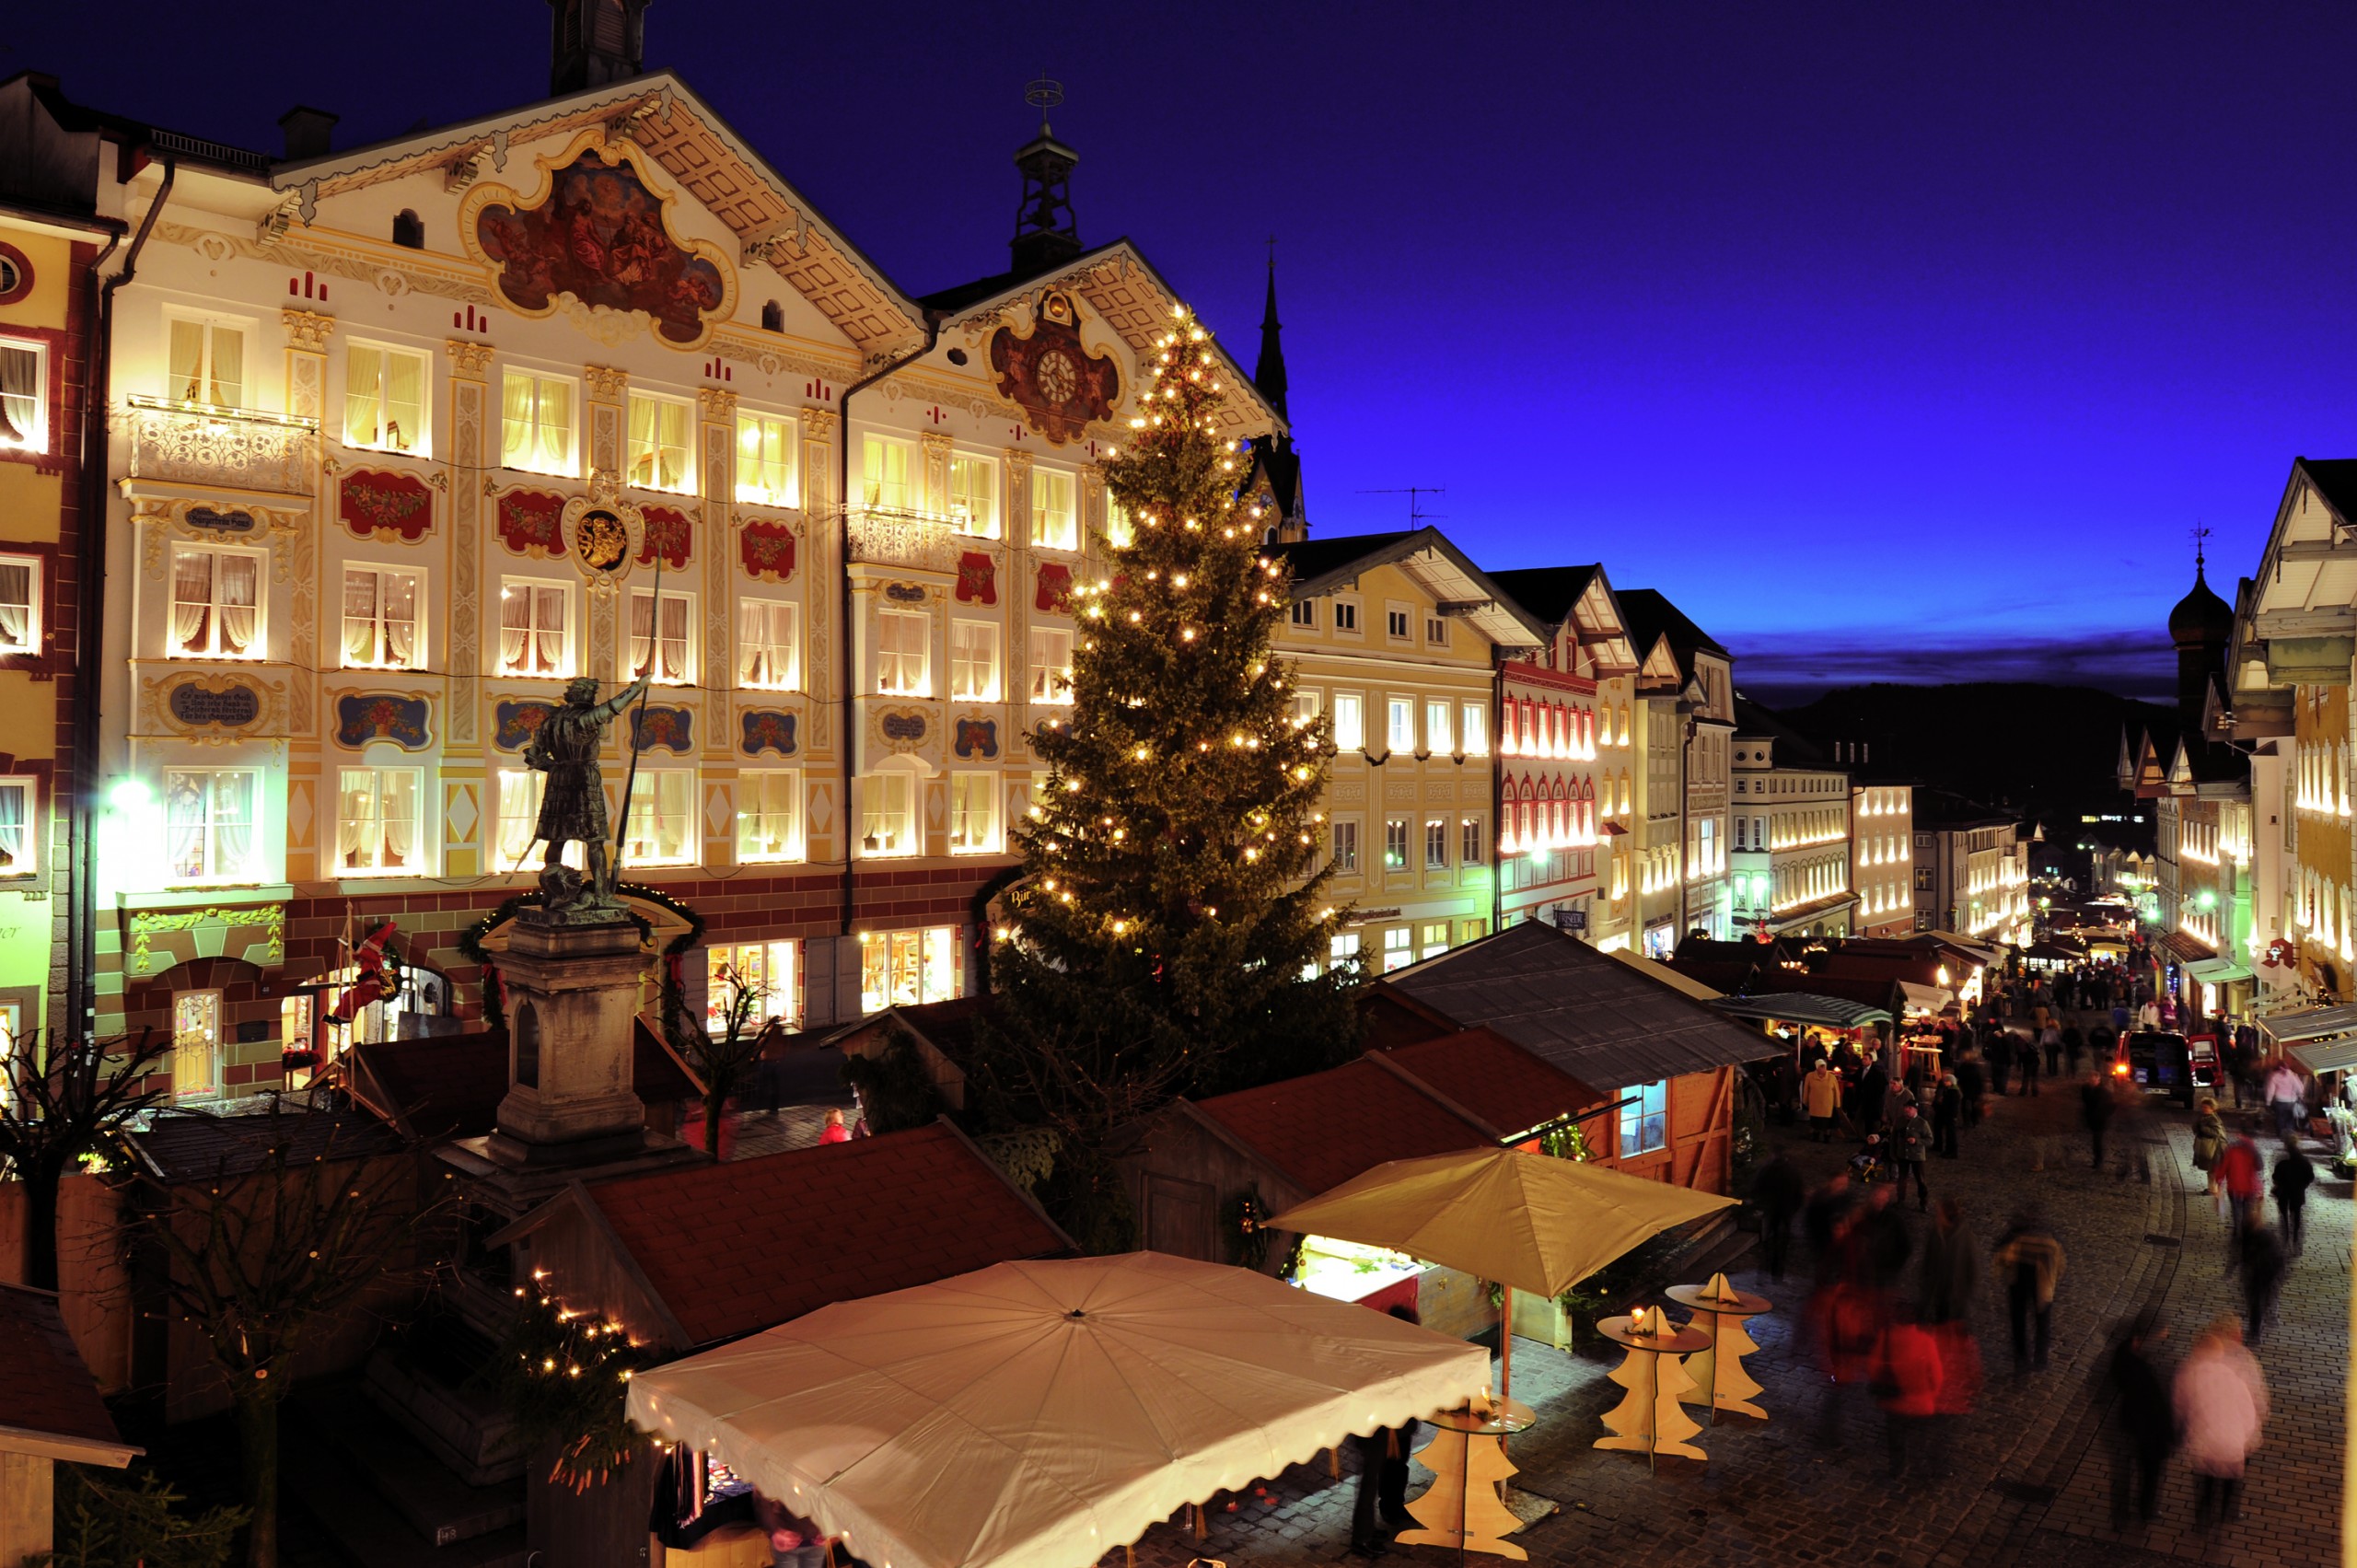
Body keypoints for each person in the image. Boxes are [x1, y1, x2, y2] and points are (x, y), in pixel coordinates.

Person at [2174, 1316, 2269, 1527]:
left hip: (2204, 1436)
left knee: (2205, 1479)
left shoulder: (2196, 1362)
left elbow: (2182, 1400)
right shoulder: (2243, 1360)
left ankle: (2203, 1515)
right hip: (2236, 1435)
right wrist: (2249, 1433)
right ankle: (2227, 1512)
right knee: (2231, 1480)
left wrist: (2184, 1425)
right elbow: (2254, 1399)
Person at [2106, 1311, 2173, 1527]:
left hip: (2131, 1423)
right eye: (2163, 1329)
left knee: (2127, 1471)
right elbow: (2157, 1399)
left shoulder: (2125, 1351)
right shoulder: (2144, 1362)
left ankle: (2125, 1513)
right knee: (2148, 1472)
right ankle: (2142, 1511)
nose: (2167, 1332)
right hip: (2146, 1428)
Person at [1992, 1207, 2064, 1372]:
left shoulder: (2016, 1236)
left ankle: (2021, 1357)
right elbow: (2059, 1264)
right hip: (2043, 1282)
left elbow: (2003, 1257)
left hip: (2019, 1280)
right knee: (2042, 1322)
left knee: (2018, 1320)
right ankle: (2040, 1359)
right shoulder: (2049, 1238)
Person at [1876, 1309, 1944, 1481]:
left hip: (1894, 1400)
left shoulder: (1886, 1337)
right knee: (1920, 1438)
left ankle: (1897, 1469)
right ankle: (1920, 1469)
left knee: (1896, 1437)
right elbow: (1937, 1375)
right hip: (1921, 1403)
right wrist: (1932, 1395)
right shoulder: (1926, 1342)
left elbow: (1873, 1365)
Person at [1916, 1198, 1979, 1325]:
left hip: (1956, 1300)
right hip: (1940, 1297)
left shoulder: (1965, 1237)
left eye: (1939, 1214)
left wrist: (1966, 1299)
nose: (1936, 1217)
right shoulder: (1935, 1233)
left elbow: (1972, 1270)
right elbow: (1928, 1264)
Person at [1752, 1150, 1805, 1281]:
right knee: (1781, 1244)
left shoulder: (1766, 1170)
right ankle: (1777, 1274)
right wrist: (1793, 1210)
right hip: (1785, 1212)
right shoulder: (1792, 1172)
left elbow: (1757, 1187)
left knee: (1767, 1243)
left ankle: (1763, 1273)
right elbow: (1799, 1194)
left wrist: (1761, 1205)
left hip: (1770, 1210)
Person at [2217, 1123, 2264, 1271]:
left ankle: (2238, 1236)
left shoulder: (2232, 1149)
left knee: (2237, 1214)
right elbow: (2259, 1168)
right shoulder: (2254, 1150)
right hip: (2249, 1188)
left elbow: (2223, 1167)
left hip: (2235, 1188)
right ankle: (2245, 1239)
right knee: (2246, 1214)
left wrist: (2219, 1181)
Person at [2238, 1214, 2284, 1343]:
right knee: (2262, 1299)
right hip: (2264, 1272)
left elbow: (2247, 1256)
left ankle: (2257, 1330)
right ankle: (2264, 1321)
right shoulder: (2263, 1235)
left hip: (2264, 1272)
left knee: (2258, 1301)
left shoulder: (2263, 1237)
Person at [2271, 1140, 2315, 1255]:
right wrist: (2303, 1186)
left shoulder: (2283, 1163)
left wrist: (2280, 1183)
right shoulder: (2304, 1163)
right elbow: (2310, 1177)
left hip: (2284, 1193)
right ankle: (2295, 1237)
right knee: (2296, 1215)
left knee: (2284, 1215)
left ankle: (2285, 1236)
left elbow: (2275, 1177)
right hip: (2298, 1193)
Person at [1891, 1104, 1932, 1212]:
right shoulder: (1900, 1121)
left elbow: (1930, 1140)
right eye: (1905, 1108)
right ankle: (1900, 1199)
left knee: (1920, 1180)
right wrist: (1893, 1152)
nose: (1906, 1110)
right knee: (1902, 1179)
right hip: (1902, 1155)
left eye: (1909, 1108)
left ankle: (1923, 1202)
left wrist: (1917, 1141)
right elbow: (1894, 1137)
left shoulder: (1922, 1123)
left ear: (1915, 1110)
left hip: (1917, 1156)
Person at [2262, 1058, 2306, 1143]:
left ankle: (2281, 1135)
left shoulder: (2274, 1076)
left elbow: (2270, 1090)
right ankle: (2290, 1135)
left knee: (2280, 1118)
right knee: (2290, 1119)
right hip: (2292, 1101)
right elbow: (2300, 1088)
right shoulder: (2293, 1076)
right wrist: (2301, 1095)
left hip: (2280, 1101)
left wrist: (2268, 1102)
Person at [2190, 1098, 2227, 1196]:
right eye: (2203, 1107)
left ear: (2212, 1108)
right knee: (2211, 1169)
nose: (2204, 1109)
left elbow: (2217, 1133)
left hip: (2215, 1148)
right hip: (2209, 1147)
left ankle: (2213, 1189)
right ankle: (2212, 1188)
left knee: (2212, 1169)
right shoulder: (2204, 1117)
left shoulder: (2214, 1119)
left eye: (2206, 1107)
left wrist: (2203, 1128)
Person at [2081, 1073, 2117, 1170]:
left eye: (2093, 1080)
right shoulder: (2086, 1089)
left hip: (2100, 1120)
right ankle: (2097, 1159)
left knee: (2098, 1141)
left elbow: (2112, 1106)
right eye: (2090, 1080)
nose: (2091, 1082)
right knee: (2096, 1141)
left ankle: (2098, 1161)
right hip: (2092, 1119)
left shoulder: (2104, 1092)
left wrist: (2104, 1115)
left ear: (2098, 1080)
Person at [1805, 1057, 1842, 1143]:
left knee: (1827, 1123)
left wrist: (1837, 1103)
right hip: (1815, 1105)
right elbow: (1806, 1090)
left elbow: (1836, 1091)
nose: (1823, 1069)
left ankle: (1827, 1137)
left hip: (1827, 1105)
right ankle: (1815, 1136)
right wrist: (1805, 1101)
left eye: (1824, 1067)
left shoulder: (1832, 1077)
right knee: (1815, 1122)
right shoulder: (1810, 1076)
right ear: (1817, 1067)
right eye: (1821, 1067)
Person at [1931, 1072, 1963, 1158]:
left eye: (1946, 1081)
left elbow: (1951, 1106)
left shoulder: (1953, 1093)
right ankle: (1945, 1149)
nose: (1945, 1082)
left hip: (1949, 1116)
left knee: (1950, 1134)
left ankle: (1951, 1151)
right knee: (1946, 1132)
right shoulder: (1949, 1091)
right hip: (1946, 1114)